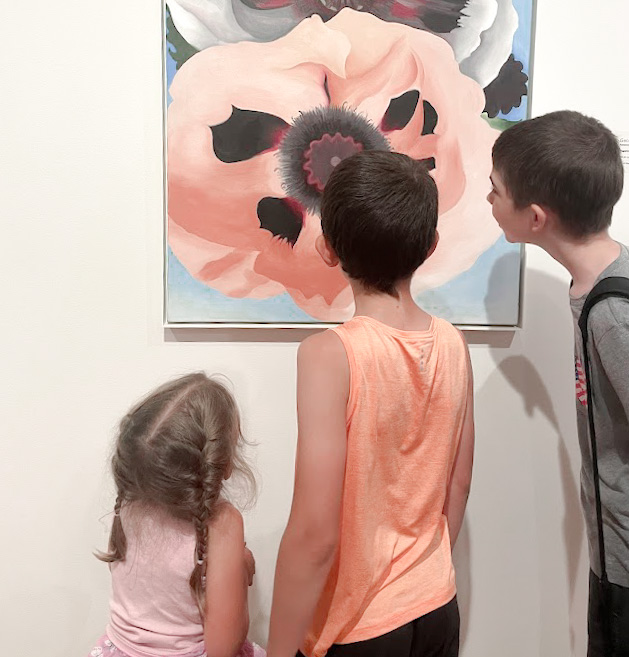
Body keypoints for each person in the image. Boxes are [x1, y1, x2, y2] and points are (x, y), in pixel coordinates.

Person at [267, 150, 475, 657]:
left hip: (360, 628)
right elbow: (458, 485)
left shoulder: (329, 355)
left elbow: (315, 533)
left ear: (327, 248)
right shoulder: (453, 343)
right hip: (436, 605)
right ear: (430, 246)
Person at [489, 110, 629, 655]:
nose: (487, 202)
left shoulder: (615, 312)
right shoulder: (607, 281)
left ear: (535, 217)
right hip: (623, 558)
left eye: (494, 191)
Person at [86, 372, 265, 657]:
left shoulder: (127, 505)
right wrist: (238, 569)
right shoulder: (221, 523)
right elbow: (224, 647)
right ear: (223, 462)